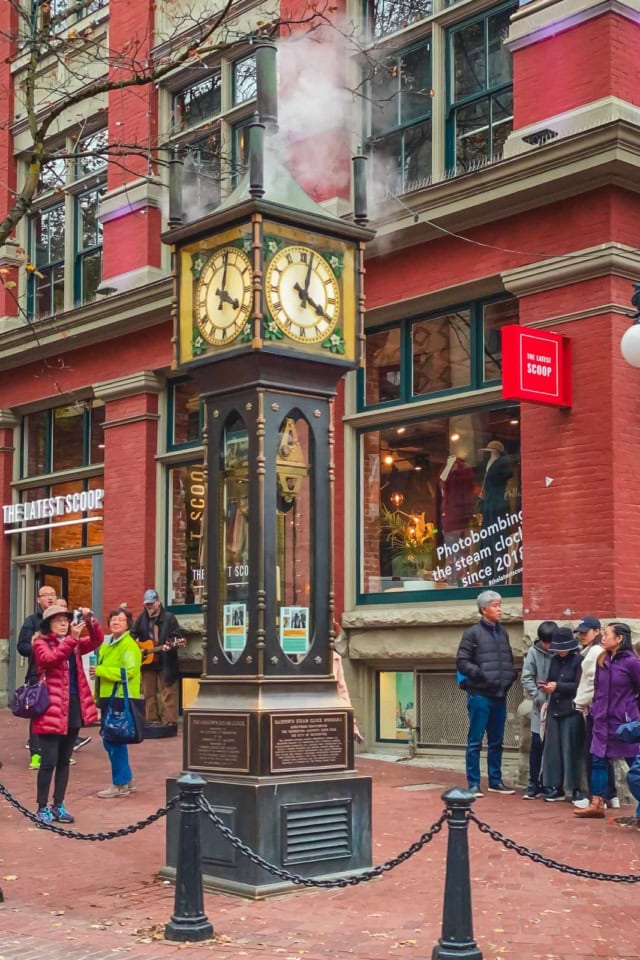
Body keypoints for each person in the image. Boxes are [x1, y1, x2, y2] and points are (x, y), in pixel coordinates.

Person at [31, 605, 103, 824]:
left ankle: (58, 805)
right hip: (50, 709)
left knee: (64, 760)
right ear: (49, 625)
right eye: (58, 620)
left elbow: (96, 640)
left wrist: (91, 620)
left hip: (72, 706)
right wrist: (72, 639)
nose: (63, 623)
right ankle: (42, 807)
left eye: (66, 620)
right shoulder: (41, 643)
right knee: (48, 761)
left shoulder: (75, 643)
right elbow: (50, 660)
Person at [575, 622, 640, 820]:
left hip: (625, 722)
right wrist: (594, 709)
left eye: (607, 634)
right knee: (597, 760)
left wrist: (632, 713)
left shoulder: (632, 662)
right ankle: (597, 803)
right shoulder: (602, 659)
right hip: (601, 719)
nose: (603, 637)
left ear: (619, 638)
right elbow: (597, 688)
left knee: (634, 763)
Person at [456, 589, 518, 796]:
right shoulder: (472, 633)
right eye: (494, 605)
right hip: (479, 694)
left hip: (499, 694)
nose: (499, 609)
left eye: (500, 605)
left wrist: (509, 677)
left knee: (496, 741)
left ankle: (495, 780)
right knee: (475, 741)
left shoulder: (503, 632)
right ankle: (473, 783)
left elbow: (508, 658)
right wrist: (480, 674)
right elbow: (462, 661)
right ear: (484, 610)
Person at [92, 608, 142, 798]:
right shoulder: (108, 644)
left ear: (128, 624)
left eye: (121, 620)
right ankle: (126, 780)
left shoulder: (129, 645)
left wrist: (101, 670)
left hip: (121, 698)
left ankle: (120, 784)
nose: (116, 622)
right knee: (113, 740)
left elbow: (128, 671)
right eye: (113, 619)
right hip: (109, 697)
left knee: (114, 741)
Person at [572, 616, 618, 810]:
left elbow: (591, 685)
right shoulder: (593, 651)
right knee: (603, 753)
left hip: (595, 710)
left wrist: (578, 703)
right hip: (602, 708)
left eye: (586, 631)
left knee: (594, 754)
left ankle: (598, 796)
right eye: (580, 632)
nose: (582, 635)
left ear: (597, 632)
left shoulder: (595, 653)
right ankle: (610, 795)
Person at [540, 628, 585, 802]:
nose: (559, 651)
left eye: (562, 647)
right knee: (553, 750)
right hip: (554, 708)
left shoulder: (579, 661)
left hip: (571, 709)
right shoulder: (554, 660)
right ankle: (555, 786)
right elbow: (551, 678)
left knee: (571, 750)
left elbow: (578, 686)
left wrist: (557, 686)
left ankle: (574, 788)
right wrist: (546, 687)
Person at [17, 584, 58, 770]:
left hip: (58, 675)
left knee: (56, 712)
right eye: (46, 595)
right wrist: (39, 646)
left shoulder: (60, 620)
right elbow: (22, 646)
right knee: (38, 713)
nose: (50, 598)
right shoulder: (31, 621)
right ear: (38, 599)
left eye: (53, 595)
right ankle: (36, 753)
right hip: (38, 674)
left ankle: (56, 752)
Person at [131, 589, 181, 725]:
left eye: (151, 604)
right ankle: (152, 721)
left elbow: (177, 637)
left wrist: (170, 645)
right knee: (149, 693)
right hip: (148, 663)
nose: (149, 607)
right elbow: (131, 636)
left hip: (166, 660)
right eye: (147, 604)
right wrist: (138, 649)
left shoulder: (169, 618)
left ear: (158, 602)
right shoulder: (141, 619)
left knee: (168, 692)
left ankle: (170, 722)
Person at [520, 620, 556, 799]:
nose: (548, 646)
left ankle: (548, 782)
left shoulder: (562, 650)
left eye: (551, 642)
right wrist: (538, 696)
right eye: (545, 642)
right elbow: (526, 678)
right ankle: (533, 783)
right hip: (539, 707)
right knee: (536, 745)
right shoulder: (534, 652)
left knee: (552, 746)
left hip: (558, 706)